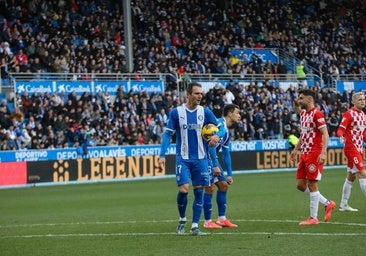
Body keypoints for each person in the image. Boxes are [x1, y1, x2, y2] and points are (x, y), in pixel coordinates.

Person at [158, 82, 221, 236]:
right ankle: (182, 218)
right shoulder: (176, 113)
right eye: (196, 93)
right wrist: (162, 155)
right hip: (183, 158)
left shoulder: (205, 112)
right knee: (184, 189)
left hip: (201, 159)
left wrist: (216, 135)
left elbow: (221, 126)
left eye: (201, 94)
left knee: (199, 192)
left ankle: (194, 226)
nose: (200, 96)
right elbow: (167, 134)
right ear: (188, 94)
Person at [290, 89, 336, 225]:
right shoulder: (304, 114)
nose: (299, 100)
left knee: (312, 184)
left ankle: (313, 218)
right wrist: (295, 149)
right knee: (300, 184)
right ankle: (327, 203)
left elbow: (325, 134)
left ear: (310, 99)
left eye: (301, 98)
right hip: (305, 153)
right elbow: (303, 136)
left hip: (315, 153)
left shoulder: (317, 114)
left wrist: (323, 152)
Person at [203, 104, 241, 229]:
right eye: (237, 113)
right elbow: (211, 145)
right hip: (205, 158)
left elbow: (226, 154)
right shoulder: (218, 124)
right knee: (210, 188)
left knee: (223, 186)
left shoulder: (226, 132)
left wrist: (230, 174)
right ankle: (207, 221)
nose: (239, 116)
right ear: (229, 114)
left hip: (212, 159)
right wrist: (215, 165)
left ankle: (221, 219)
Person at [337, 92, 366, 212]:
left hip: (358, 148)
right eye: (360, 100)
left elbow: (363, 134)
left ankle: (343, 204)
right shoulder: (349, 114)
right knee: (363, 173)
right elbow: (341, 129)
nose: (363, 101)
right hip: (351, 147)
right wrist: (341, 136)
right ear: (353, 102)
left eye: (364, 99)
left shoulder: (363, 115)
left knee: (351, 176)